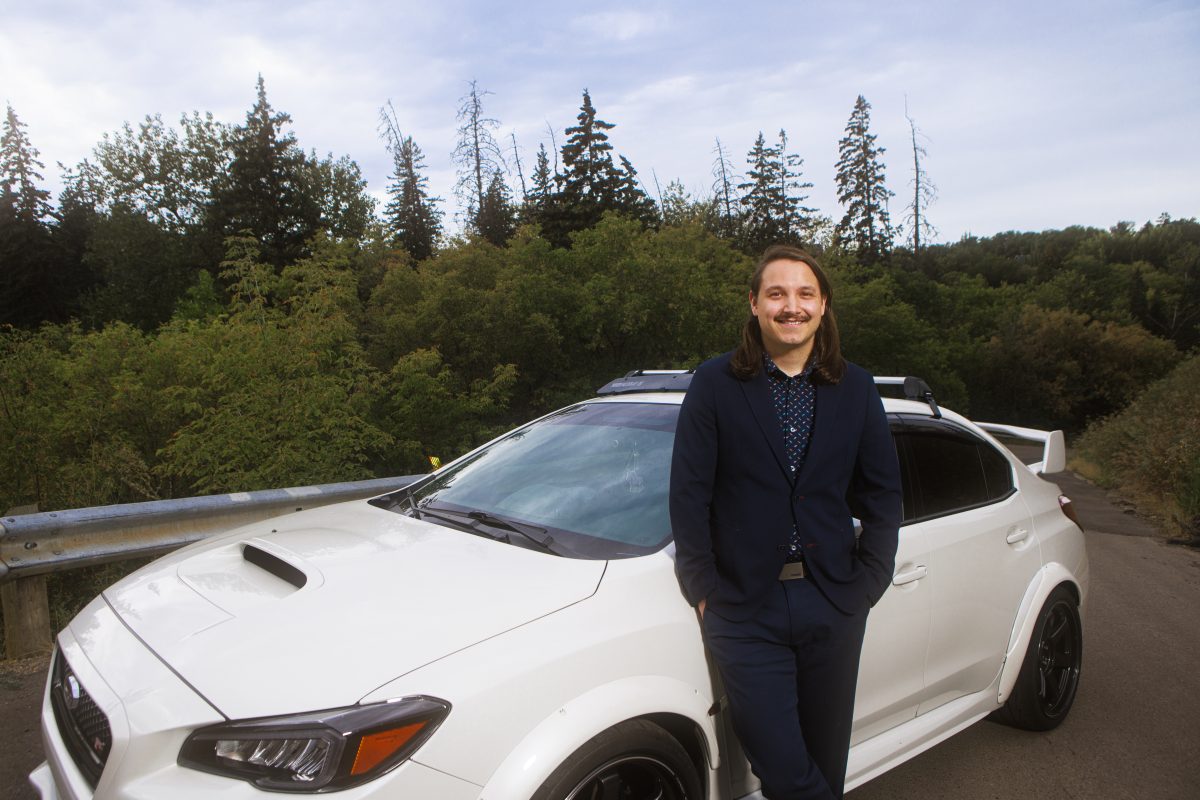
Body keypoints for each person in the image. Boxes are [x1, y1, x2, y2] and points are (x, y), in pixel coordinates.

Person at [670, 244, 901, 800]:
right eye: (776, 293)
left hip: (833, 600)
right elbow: (689, 493)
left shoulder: (857, 388)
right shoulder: (715, 383)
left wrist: (870, 580)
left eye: (804, 294)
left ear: (823, 306)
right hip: (745, 609)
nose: (790, 306)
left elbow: (883, 495)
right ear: (754, 304)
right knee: (784, 770)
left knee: (825, 764)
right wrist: (703, 589)